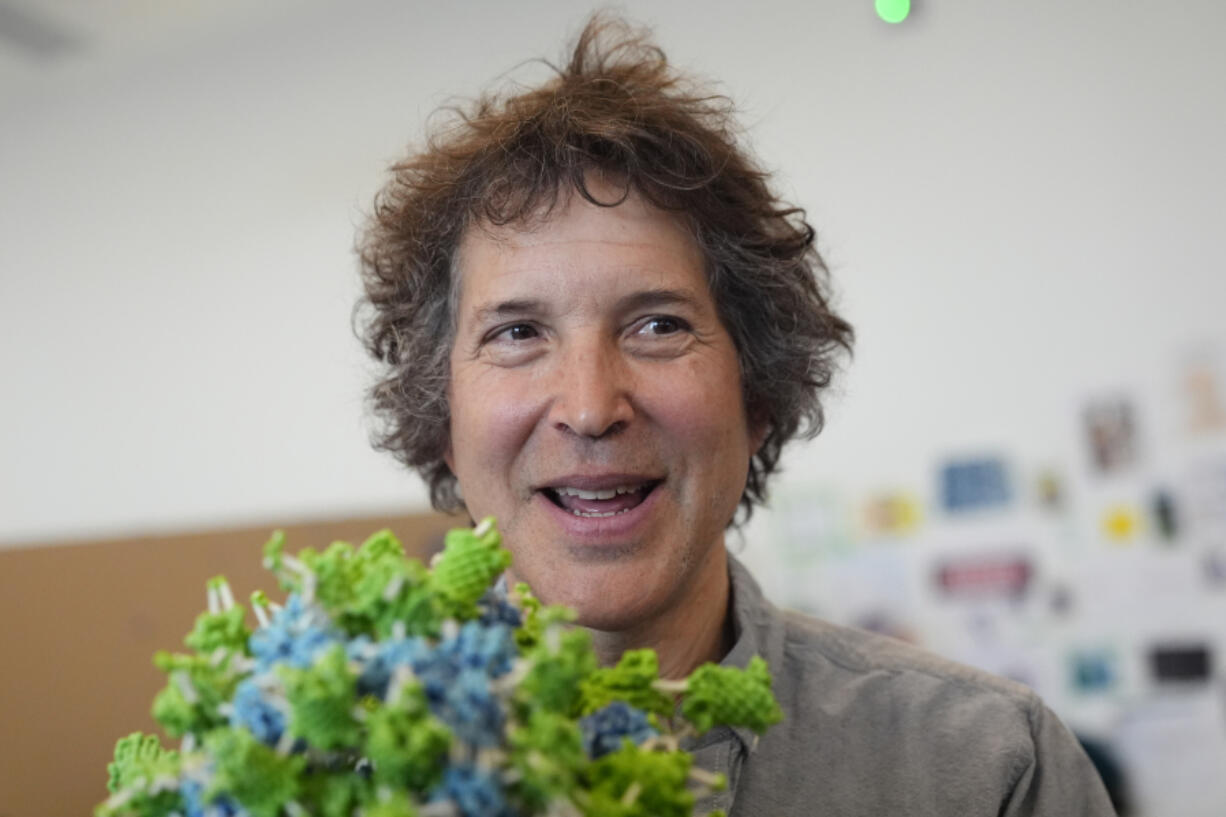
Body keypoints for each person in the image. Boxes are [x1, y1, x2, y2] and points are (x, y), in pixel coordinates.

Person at [354, 14, 1117, 816]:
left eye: (658, 325)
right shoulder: (311, 764)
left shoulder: (986, 768)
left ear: (758, 394)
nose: (588, 407)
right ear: (442, 413)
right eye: (516, 333)